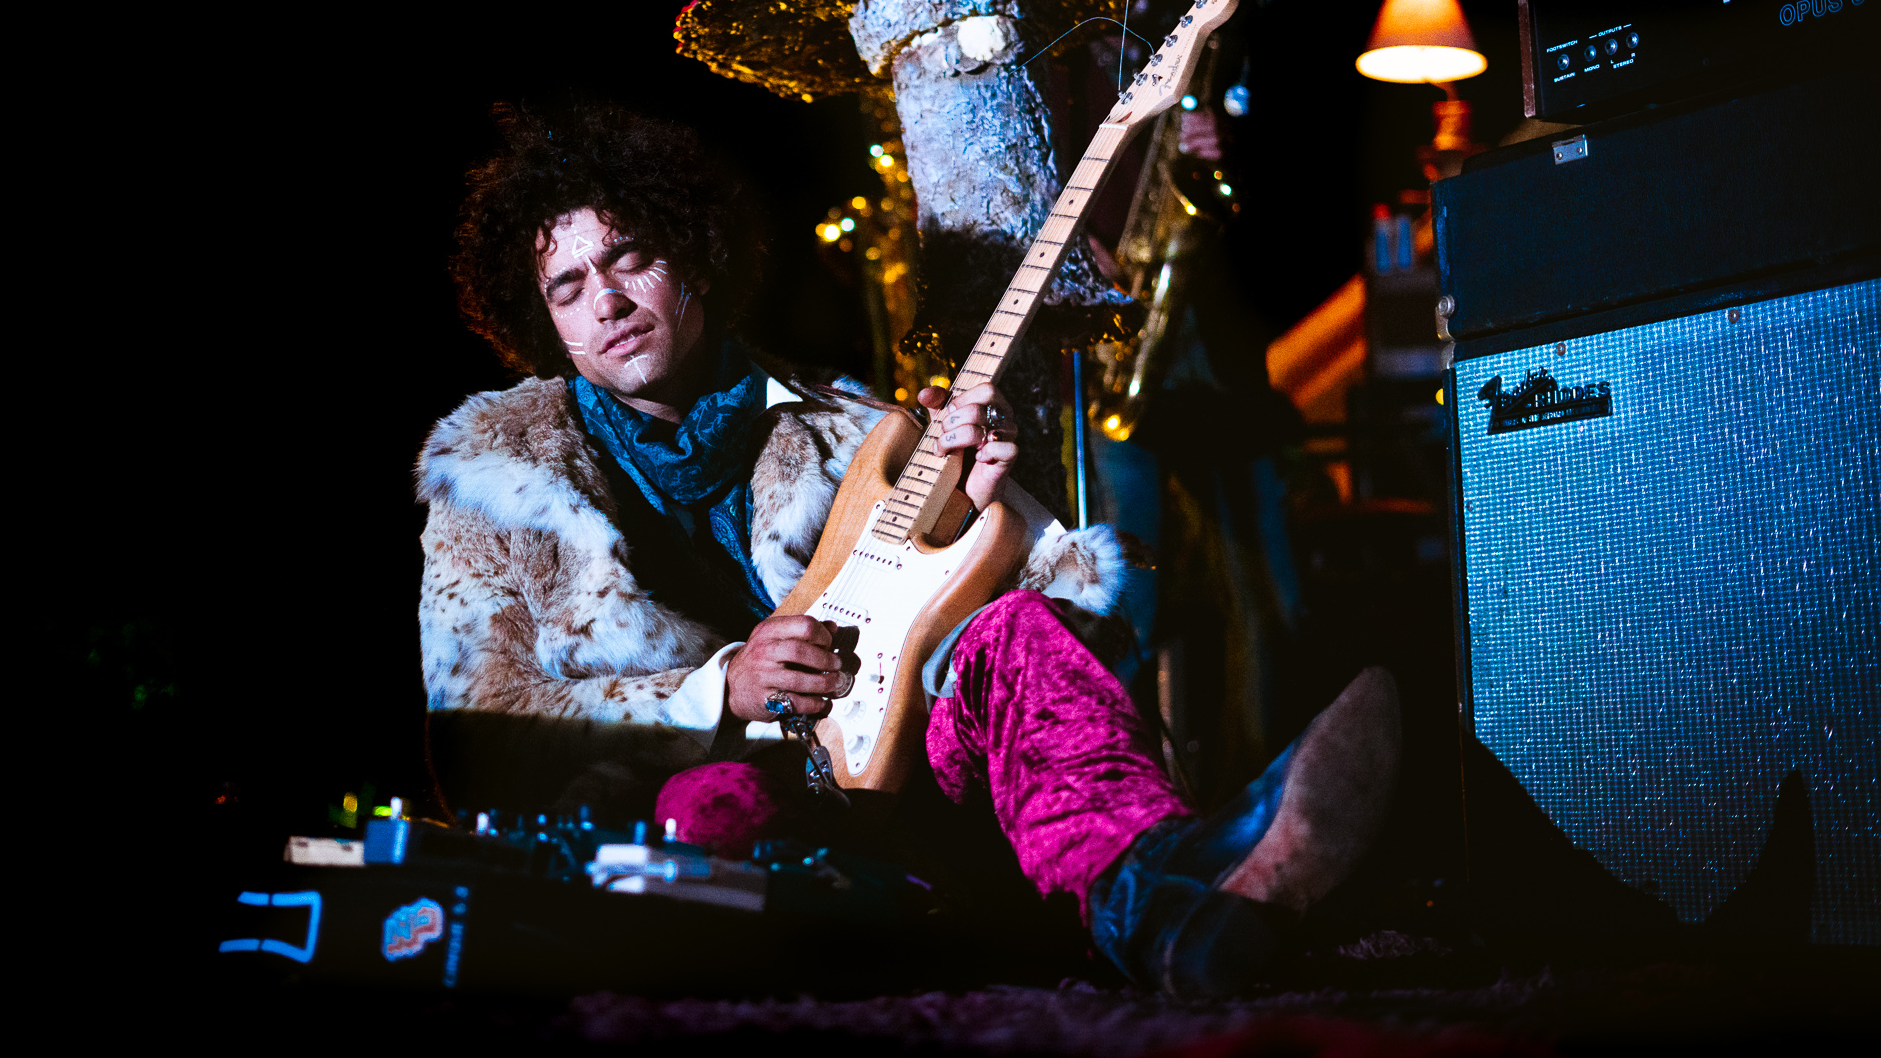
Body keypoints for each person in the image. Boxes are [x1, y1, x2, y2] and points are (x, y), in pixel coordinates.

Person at [415, 100, 1401, 997]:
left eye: (628, 257)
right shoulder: (492, 477)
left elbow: (1085, 621)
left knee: (1016, 633)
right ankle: (1144, 898)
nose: (606, 301)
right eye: (567, 286)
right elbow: (478, 732)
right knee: (716, 802)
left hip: (908, 775)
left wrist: (991, 510)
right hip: (684, 810)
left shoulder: (851, 428)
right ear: (545, 321)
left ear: (695, 257)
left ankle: (1155, 893)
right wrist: (717, 690)